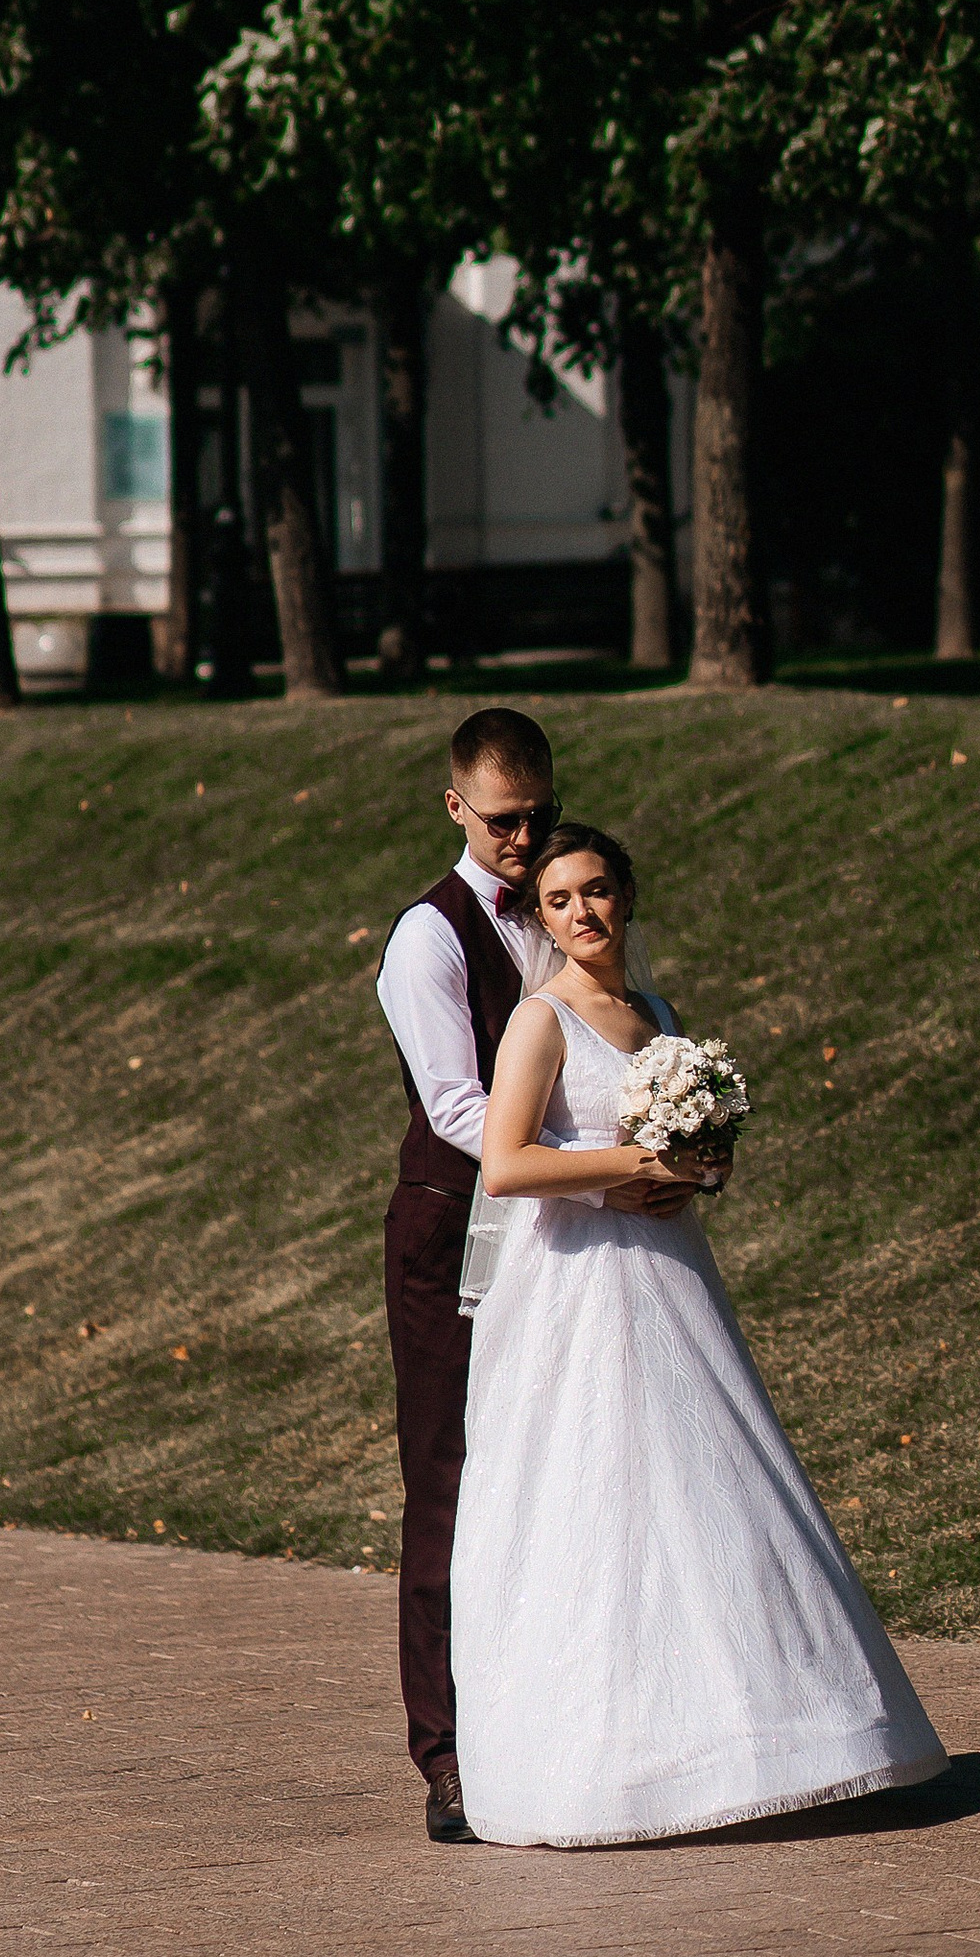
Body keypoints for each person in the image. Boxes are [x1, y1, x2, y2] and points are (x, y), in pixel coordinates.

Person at [450, 824, 948, 1846]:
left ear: (627, 897)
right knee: (598, 1490)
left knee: (703, 1480)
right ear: (541, 918)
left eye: (595, 891)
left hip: (668, 1277)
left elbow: (690, 1151)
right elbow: (503, 1168)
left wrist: (695, 1170)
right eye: (558, 901)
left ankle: (775, 1736)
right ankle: (606, 1762)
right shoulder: (539, 1022)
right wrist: (625, 1172)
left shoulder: (660, 1018)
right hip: (574, 1287)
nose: (581, 913)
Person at [374, 706, 564, 1845]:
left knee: (551, 1477)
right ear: (456, 807)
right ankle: (443, 1756)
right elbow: (454, 1109)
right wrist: (584, 1166)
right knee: (447, 1484)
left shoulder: (557, 903)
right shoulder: (429, 937)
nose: (524, 841)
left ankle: (541, 1726)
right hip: (453, 1231)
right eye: (502, 821)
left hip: (551, 1227)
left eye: (536, 818)